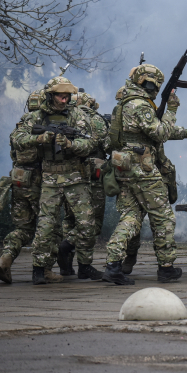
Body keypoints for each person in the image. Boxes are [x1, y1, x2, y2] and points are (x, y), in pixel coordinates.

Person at [102, 64, 187, 285]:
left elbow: (151, 131)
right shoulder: (140, 105)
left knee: (131, 217)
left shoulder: (127, 103)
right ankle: (166, 267)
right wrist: (173, 110)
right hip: (142, 168)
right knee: (163, 217)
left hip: (126, 168)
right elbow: (160, 132)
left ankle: (113, 264)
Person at [11, 77, 101, 285]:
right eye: (61, 96)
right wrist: (39, 139)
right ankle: (39, 269)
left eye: (67, 96)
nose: (64, 100)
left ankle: (85, 266)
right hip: (50, 178)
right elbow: (17, 139)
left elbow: (89, 144)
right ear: (51, 95)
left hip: (75, 177)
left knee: (87, 223)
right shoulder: (36, 117)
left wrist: (70, 144)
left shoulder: (77, 114)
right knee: (46, 226)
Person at [0, 90, 62, 284]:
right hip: (37, 181)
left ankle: (5, 259)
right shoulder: (44, 127)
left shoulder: (20, 126)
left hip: (18, 179)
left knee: (23, 228)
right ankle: (46, 268)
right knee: (51, 227)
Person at [58, 90, 110, 276]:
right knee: (91, 222)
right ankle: (81, 261)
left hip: (68, 175)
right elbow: (107, 144)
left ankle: (66, 265)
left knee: (70, 219)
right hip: (92, 176)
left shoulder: (64, 117)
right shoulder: (93, 118)